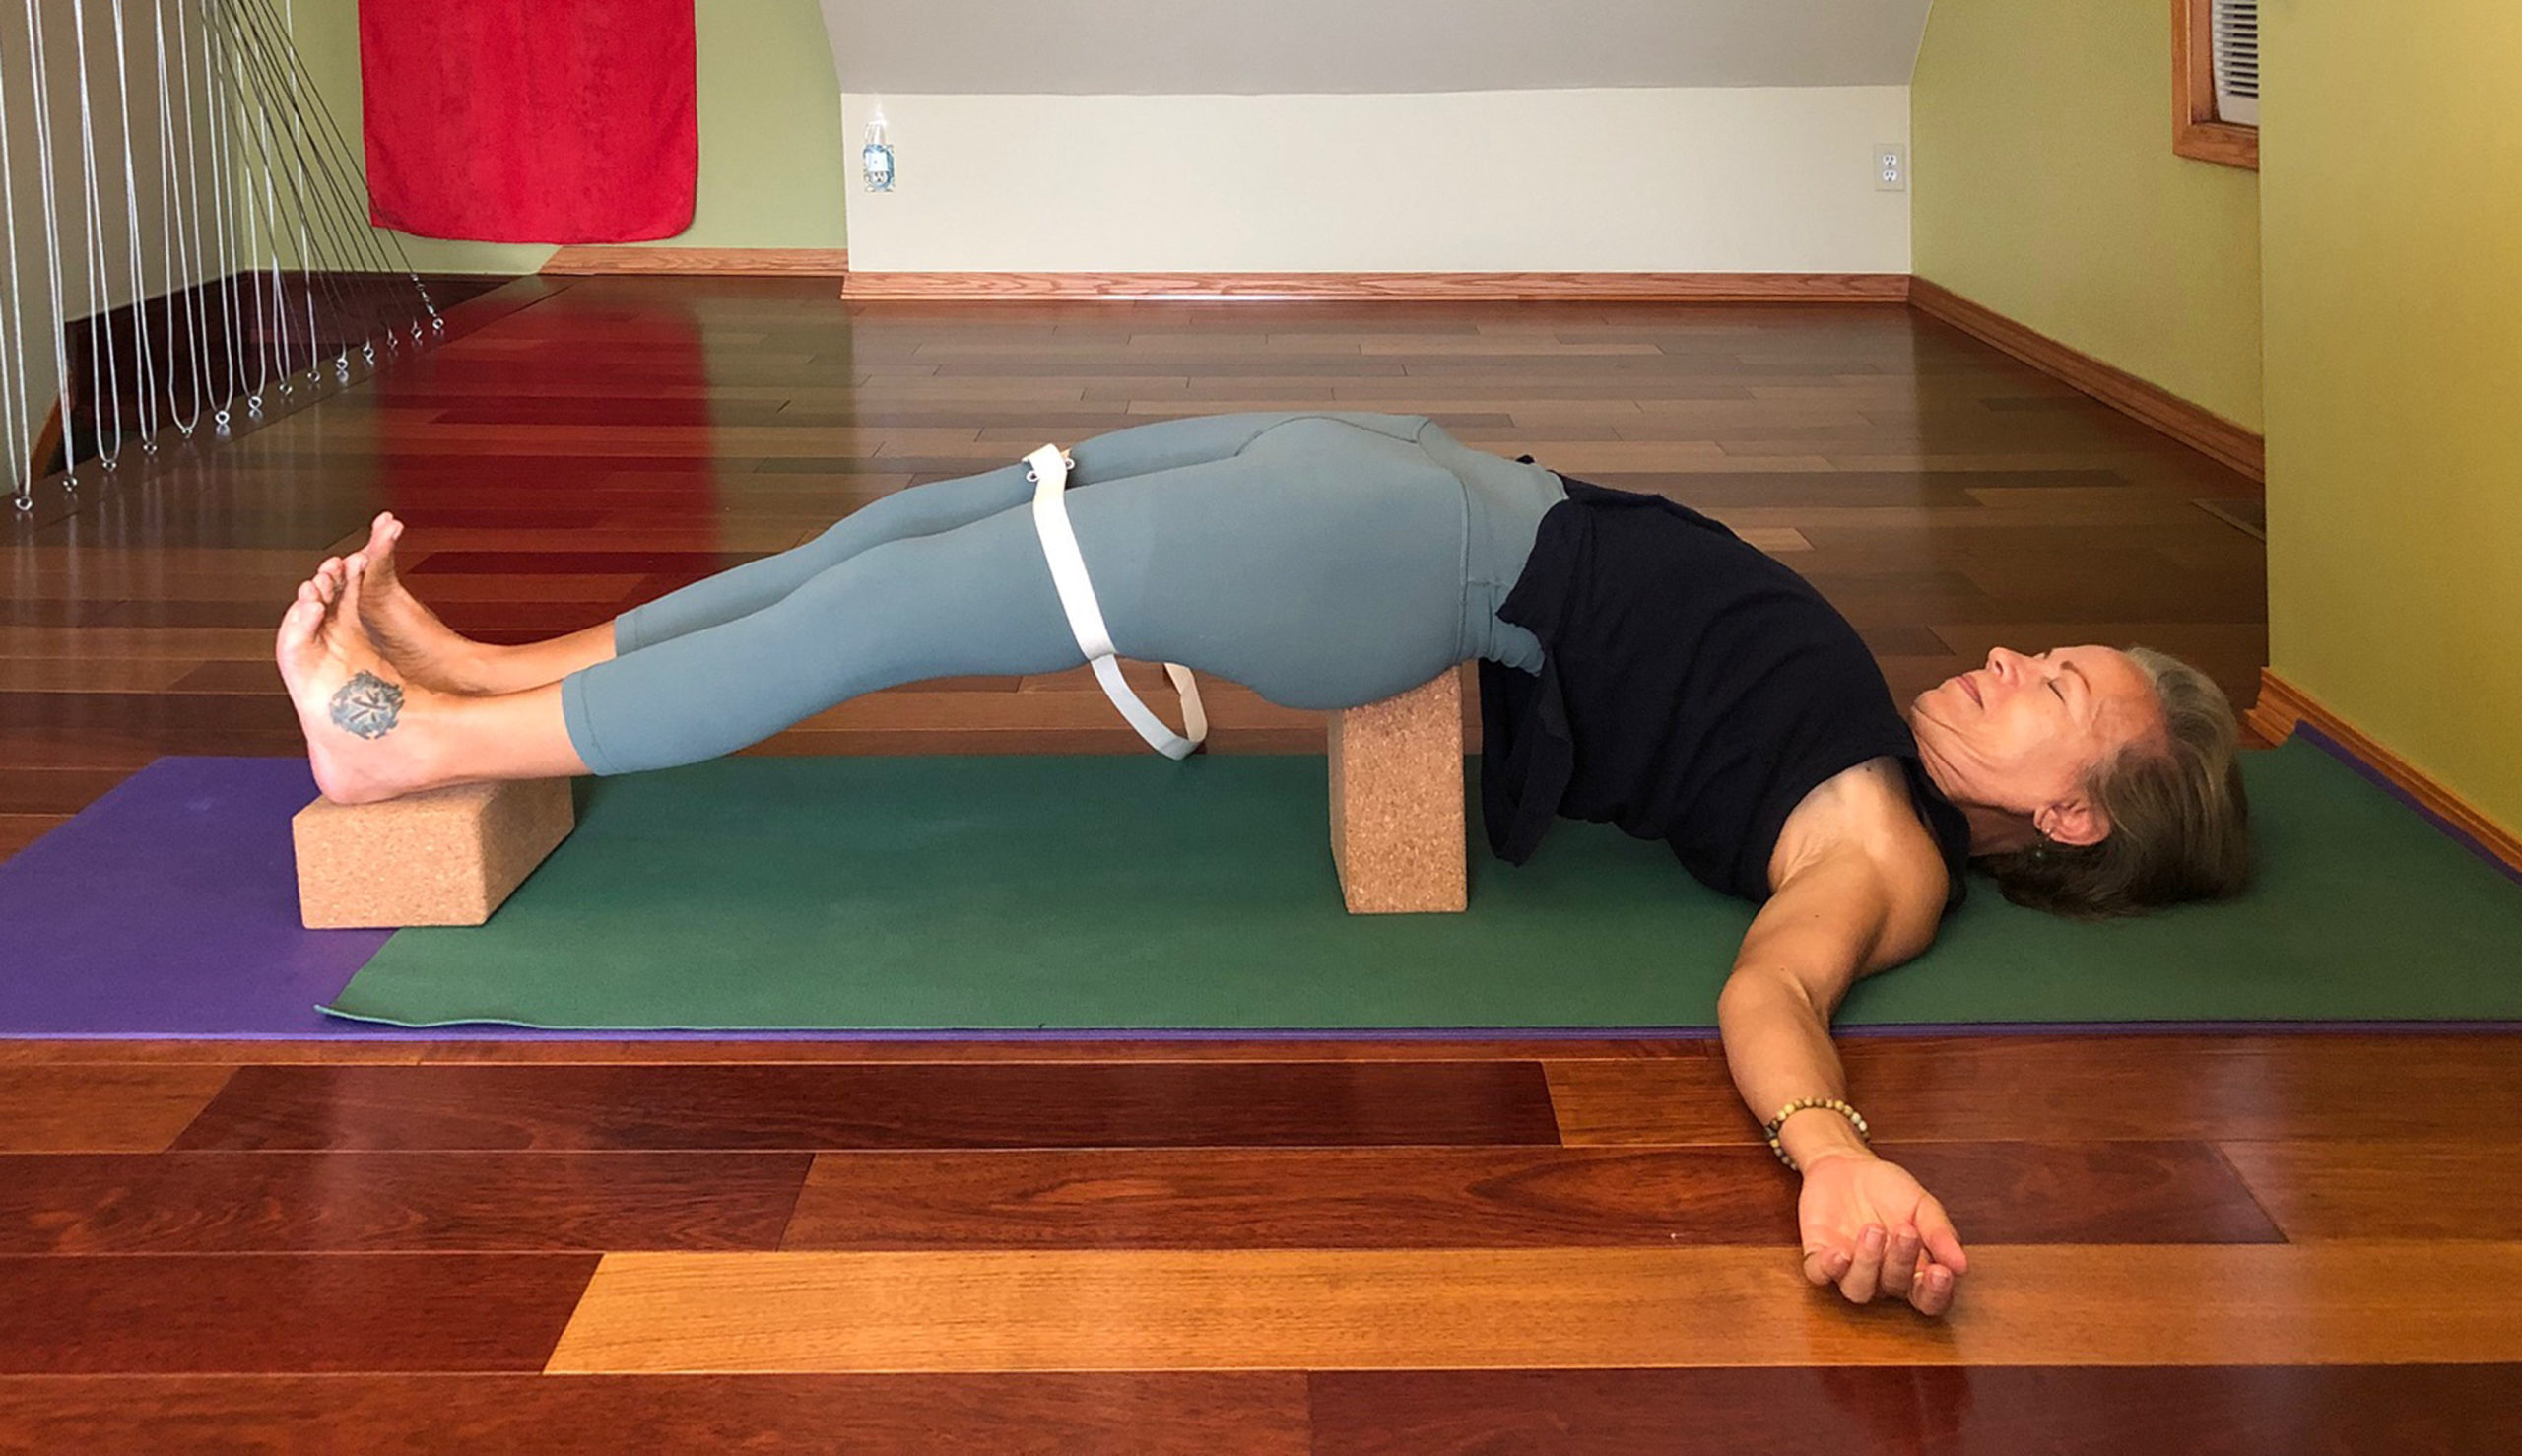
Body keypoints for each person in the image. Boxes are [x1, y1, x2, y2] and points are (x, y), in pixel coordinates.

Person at [275, 411, 2252, 1319]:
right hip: (1422, 483)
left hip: (1390, 566)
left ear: (2069, 815)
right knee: (906, 532)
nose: (2003, 659)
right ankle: (496, 663)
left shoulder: (1882, 855)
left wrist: (1830, 1152)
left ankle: (417, 747)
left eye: (2047, 689)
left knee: (898, 618)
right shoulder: (1886, 743)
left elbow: (1773, 985)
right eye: (2030, 648)